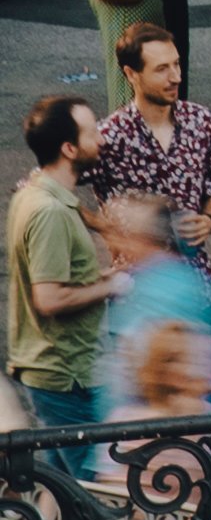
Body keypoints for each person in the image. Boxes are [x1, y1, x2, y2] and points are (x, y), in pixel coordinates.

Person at [12, 93, 113, 431]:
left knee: (62, 480)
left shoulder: (36, 196)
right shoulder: (50, 212)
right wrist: (111, 286)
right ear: (69, 149)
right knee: (85, 481)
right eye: (92, 133)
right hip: (65, 376)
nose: (102, 139)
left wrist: (102, 277)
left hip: (60, 373)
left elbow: (56, 276)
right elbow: (50, 298)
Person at [95, 190, 211, 415]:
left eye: (116, 233)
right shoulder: (180, 278)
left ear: (136, 239)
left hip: (168, 429)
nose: (110, 241)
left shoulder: (153, 292)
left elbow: (133, 375)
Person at [96, 24, 211, 258]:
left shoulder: (200, 120)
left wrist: (209, 217)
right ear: (131, 74)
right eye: (161, 69)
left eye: (176, 64)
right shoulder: (110, 135)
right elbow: (50, 186)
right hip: (137, 280)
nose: (176, 77)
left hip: (194, 276)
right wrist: (106, 229)